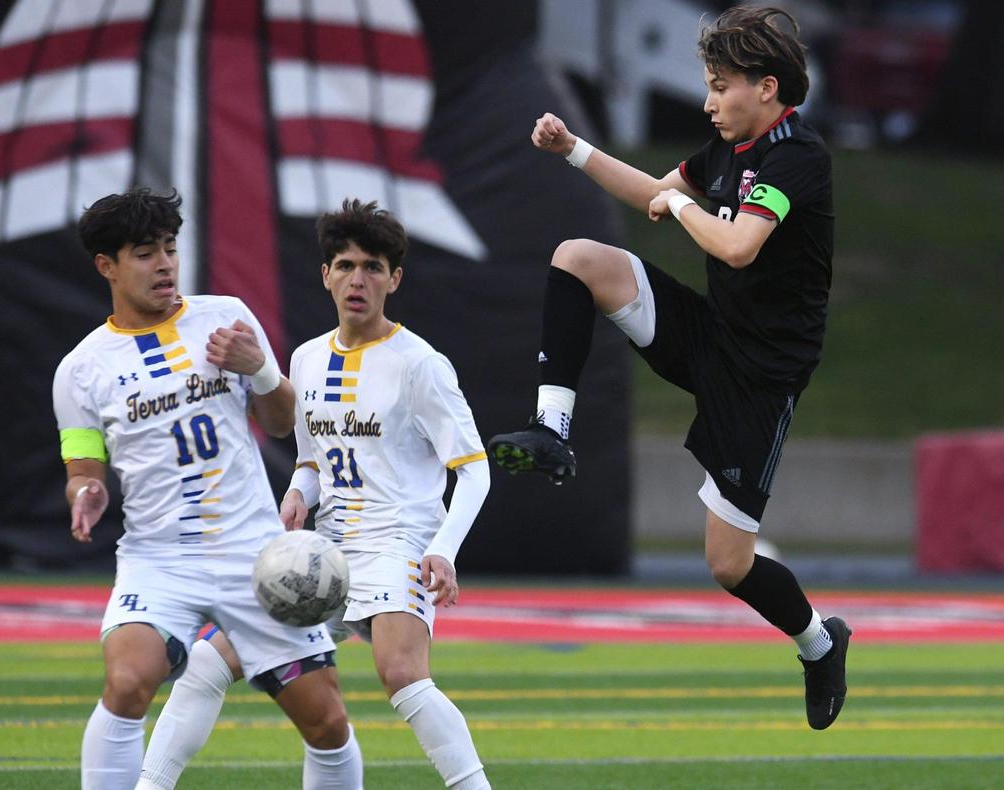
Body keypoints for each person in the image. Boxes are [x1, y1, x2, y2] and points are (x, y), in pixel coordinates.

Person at [486, 6, 850, 730]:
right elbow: (654, 189)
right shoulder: (728, 150)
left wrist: (679, 209)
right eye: (708, 85)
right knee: (578, 259)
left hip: (760, 379)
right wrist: (574, 150)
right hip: (712, 335)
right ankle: (551, 428)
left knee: (728, 565)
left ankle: (818, 642)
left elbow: (739, 245)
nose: (709, 100)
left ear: (768, 88)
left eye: (721, 86)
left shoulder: (795, 156)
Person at [133, 198, 494, 789]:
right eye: (346, 264)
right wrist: (299, 493)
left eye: (374, 267)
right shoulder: (305, 357)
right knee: (207, 660)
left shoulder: (420, 365)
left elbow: (474, 468)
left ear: (394, 279)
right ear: (325, 273)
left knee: (402, 673)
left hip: (394, 543)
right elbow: (312, 460)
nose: (359, 279)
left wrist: (444, 548)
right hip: (325, 551)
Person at [52, 188, 363, 790]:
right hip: (157, 558)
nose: (166, 264)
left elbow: (281, 423)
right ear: (106, 266)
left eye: (171, 248)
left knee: (326, 724)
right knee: (126, 682)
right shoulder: (80, 370)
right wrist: (84, 494)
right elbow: (83, 470)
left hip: (256, 557)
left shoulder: (224, 317)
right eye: (145, 253)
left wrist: (262, 368)